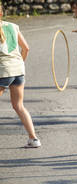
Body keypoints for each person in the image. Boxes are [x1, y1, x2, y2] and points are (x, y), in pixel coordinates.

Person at [0, 3, 41, 148]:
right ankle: (34, 138)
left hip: (3, 70)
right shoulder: (13, 26)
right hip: (18, 69)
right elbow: (26, 48)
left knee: (17, 105)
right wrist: (17, 65)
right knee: (19, 106)